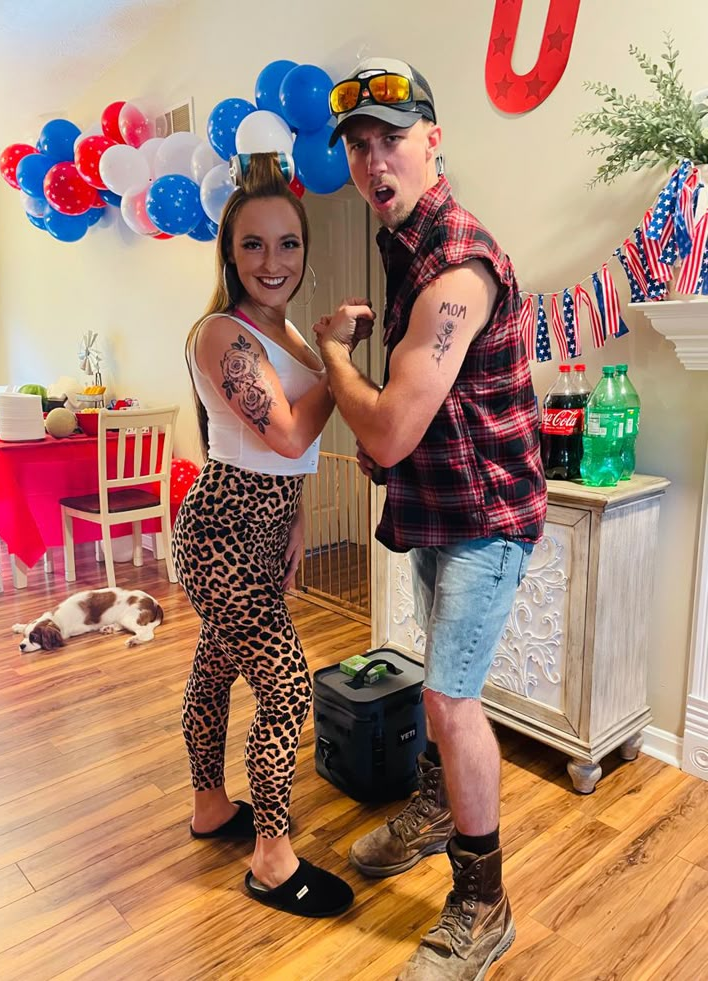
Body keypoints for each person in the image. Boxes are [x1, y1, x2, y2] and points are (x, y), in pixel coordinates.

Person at [314, 59, 547, 978]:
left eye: (393, 139)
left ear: (434, 140)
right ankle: (435, 805)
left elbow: (389, 421)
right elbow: (412, 426)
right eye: (360, 145)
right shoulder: (403, 238)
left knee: (451, 701)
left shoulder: (455, 266)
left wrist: (334, 353)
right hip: (436, 505)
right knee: (438, 688)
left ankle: (483, 907)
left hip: (485, 516)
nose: (376, 163)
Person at [173, 152, 354, 919]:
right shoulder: (222, 332)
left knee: (217, 666)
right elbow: (284, 433)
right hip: (219, 528)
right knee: (285, 682)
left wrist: (301, 515)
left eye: (288, 243)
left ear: (303, 251)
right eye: (254, 243)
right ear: (229, 251)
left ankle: (211, 805)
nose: (273, 260)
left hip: (266, 523)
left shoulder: (285, 337)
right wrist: (342, 363)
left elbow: (295, 457)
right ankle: (272, 857)